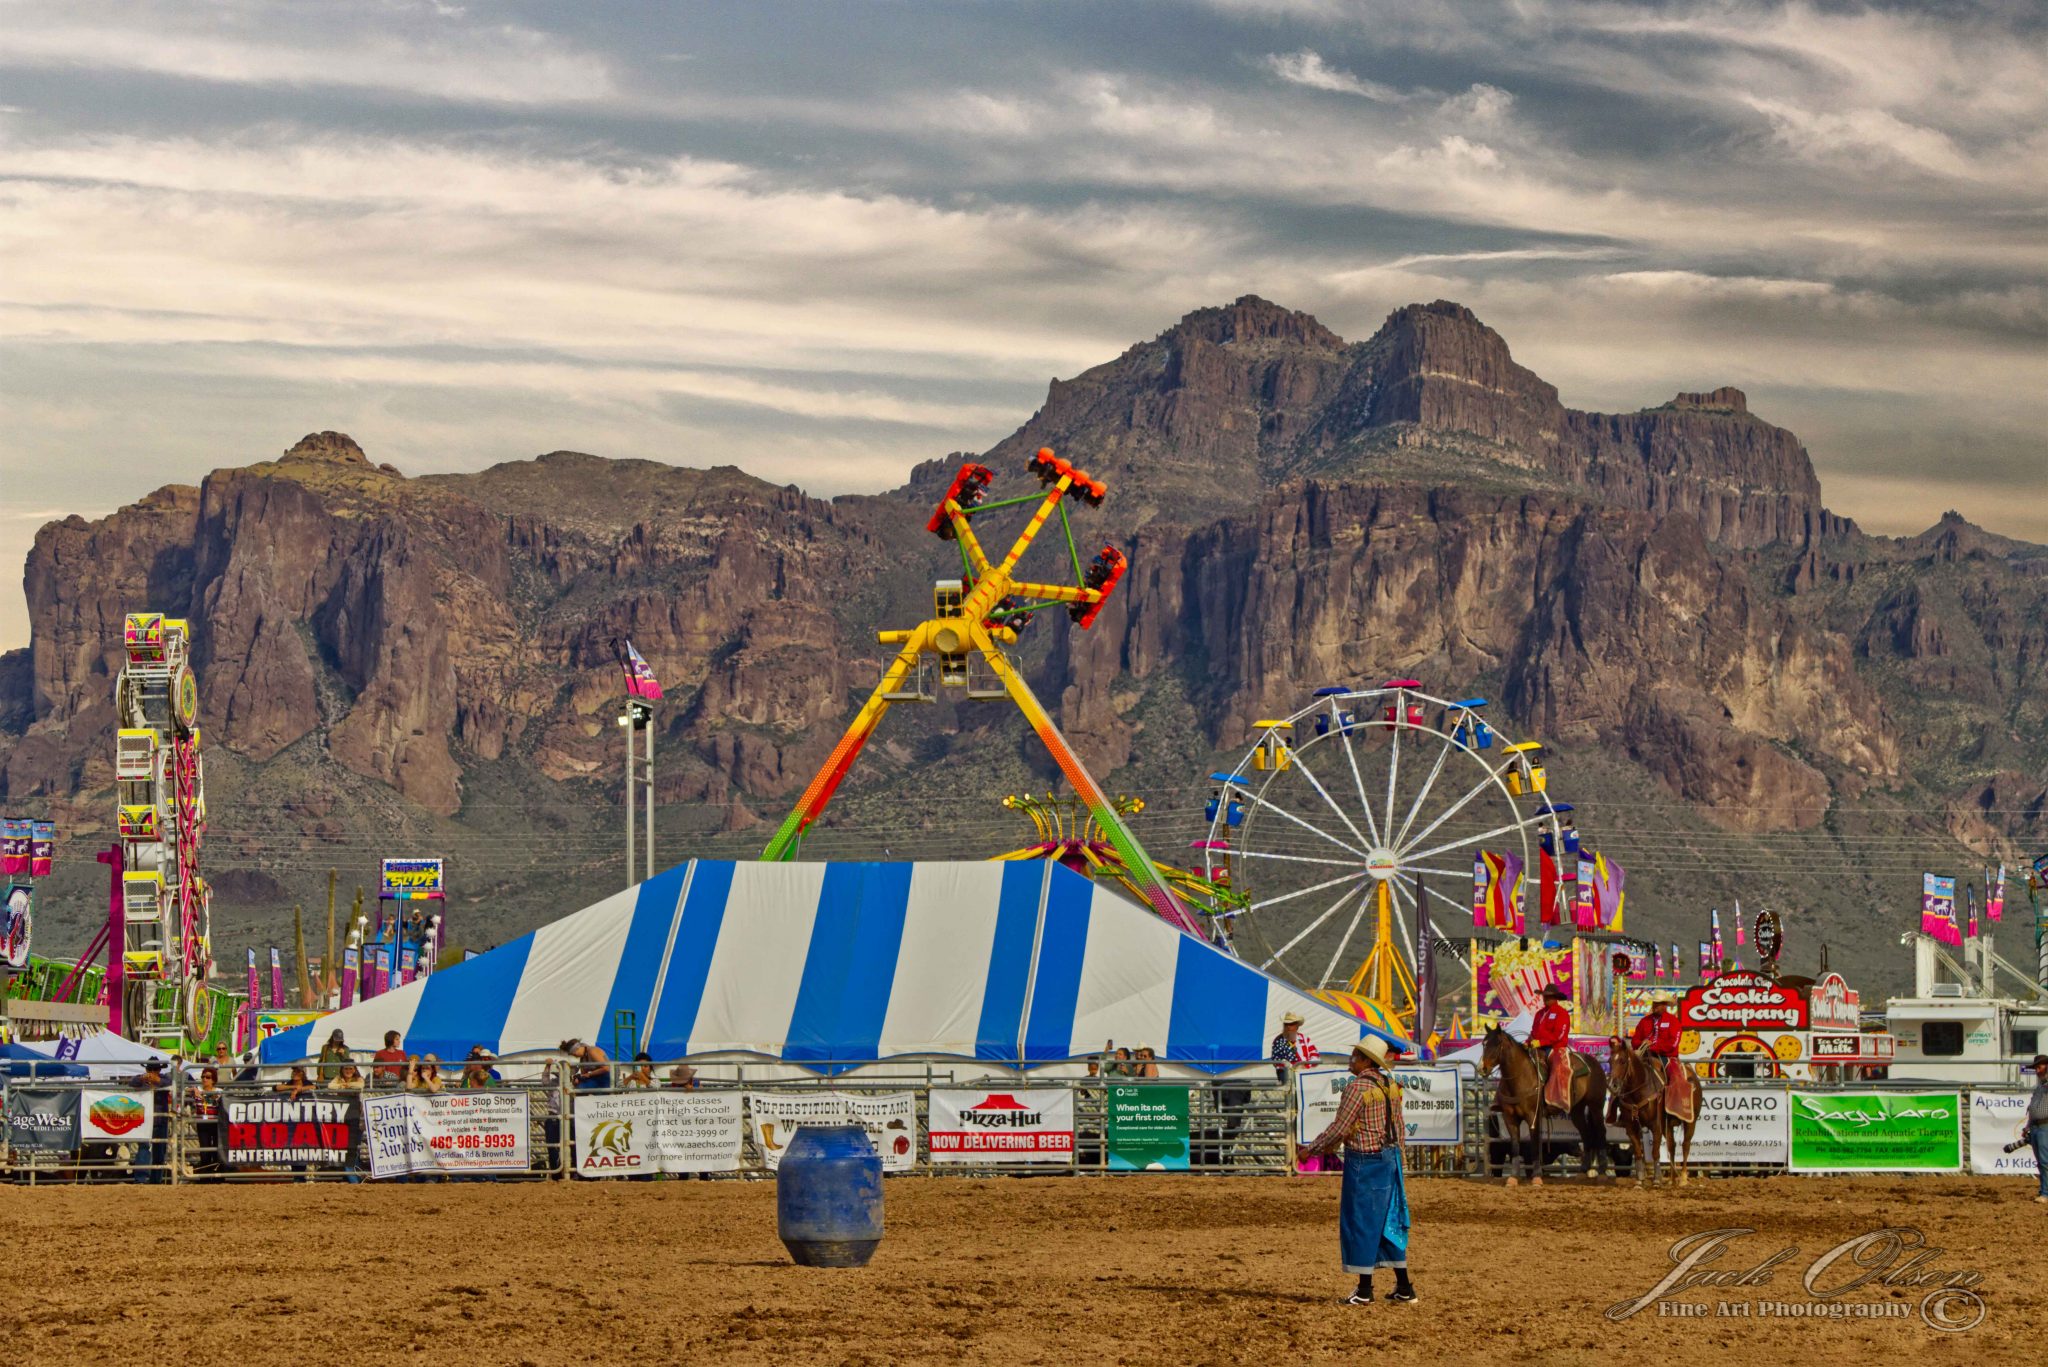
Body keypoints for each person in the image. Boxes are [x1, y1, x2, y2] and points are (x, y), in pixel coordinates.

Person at [1303, 1037, 1414, 1305]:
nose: (1351, 1059)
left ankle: (1364, 1290)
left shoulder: (1357, 1088)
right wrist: (1400, 1158)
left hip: (1364, 1161)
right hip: (1389, 1159)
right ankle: (1404, 1286)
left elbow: (1340, 1127)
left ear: (1366, 1060)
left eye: (1355, 1055)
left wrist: (1313, 1149)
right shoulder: (1391, 1085)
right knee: (1388, 1219)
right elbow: (1399, 1127)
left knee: (1361, 1220)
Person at [1629, 991, 1689, 1118]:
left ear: (1665, 1005)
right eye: (1655, 1003)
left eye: (1659, 1003)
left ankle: (1676, 1109)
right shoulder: (1644, 1021)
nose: (1655, 1005)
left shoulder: (1673, 1022)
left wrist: (1654, 1047)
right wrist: (1642, 1043)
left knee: (1675, 1078)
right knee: (1625, 1074)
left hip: (1666, 1057)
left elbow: (1673, 1044)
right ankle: (1619, 1112)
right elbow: (1635, 1040)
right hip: (1644, 1056)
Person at [128, 1057, 171, 1184]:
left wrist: (156, 1080)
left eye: (155, 1069)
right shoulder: (141, 1079)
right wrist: (143, 1078)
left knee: (159, 1151)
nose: (152, 1071)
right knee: (143, 1148)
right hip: (145, 1119)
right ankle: (140, 1179)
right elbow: (132, 1082)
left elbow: (169, 1083)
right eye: (150, 1069)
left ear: (159, 1070)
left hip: (159, 1119)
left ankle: (155, 1180)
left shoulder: (165, 1079)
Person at [1529, 984, 1573, 1108]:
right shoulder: (1539, 1014)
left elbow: (1559, 1035)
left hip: (1555, 1048)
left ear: (1555, 998)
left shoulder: (1562, 1013)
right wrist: (1528, 1042)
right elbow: (1533, 1032)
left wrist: (1541, 1042)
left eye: (1548, 996)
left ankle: (1557, 1099)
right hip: (1537, 1047)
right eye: (1544, 996)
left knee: (1558, 1067)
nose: (1545, 999)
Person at [1271, 1011, 1318, 1084]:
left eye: (1291, 1024)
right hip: (1289, 1078)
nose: (1288, 1027)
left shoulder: (1304, 1039)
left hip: (1307, 1075)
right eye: (1286, 1024)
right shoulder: (1278, 1040)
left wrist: (1308, 1068)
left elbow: (1314, 1055)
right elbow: (1277, 1061)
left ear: (1297, 1026)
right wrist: (1293, 1067)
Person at [2027, 1054, 2048, 1204]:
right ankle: (2044, 1190)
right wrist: (2028, 1125)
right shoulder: (2040, 1086)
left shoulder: (2045, 1084)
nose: (2037, 1070)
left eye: (2039, 1067)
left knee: (2044, 1161)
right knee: (2041, 1161)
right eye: (2036, 1068)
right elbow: (2032, 1107)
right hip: (2036, 1126)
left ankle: (2045, 1193)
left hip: (2045, 1126)